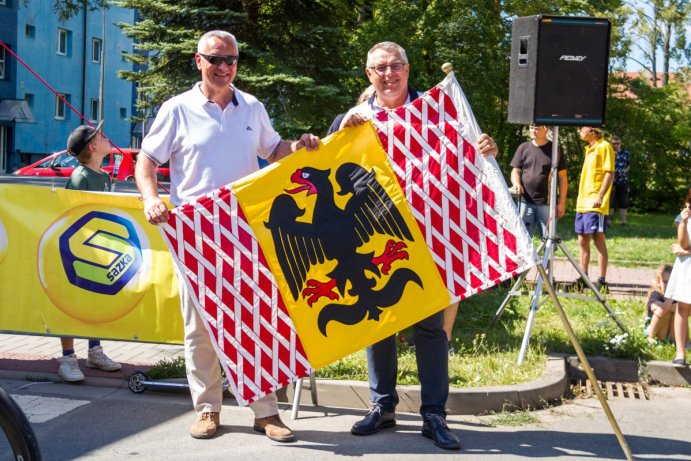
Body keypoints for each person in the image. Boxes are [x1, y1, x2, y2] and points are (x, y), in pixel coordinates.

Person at [135, 30, 320, 441]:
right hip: (194, 236)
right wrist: (152, 198)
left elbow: (274, 151)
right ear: (198, 61)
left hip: (244, 233)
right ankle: (207, 409)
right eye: (215, 59)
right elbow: (146, 161)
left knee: (257, 321)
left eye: (231, 60)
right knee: (199, 328)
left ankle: (265, 412)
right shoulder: (177, 109)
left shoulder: (251, 106)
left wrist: (301, 146)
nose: (223, 67)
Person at [339, 41, 499, 451]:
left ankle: (433, 414)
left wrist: (486, 151)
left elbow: (467, 157)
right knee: (380, 325)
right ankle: (382, 405)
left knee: (430, 329)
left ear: (408, 70)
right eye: (380, 68)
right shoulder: (352, 120)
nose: (388, 74)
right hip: (374, 237)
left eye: (395, 66)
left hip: (428, 237)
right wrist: (338, 135)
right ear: (368, 74)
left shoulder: (437, 112)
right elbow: (329, 175)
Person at [58, 122, 123, 382]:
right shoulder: (80, 178)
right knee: (71, 304)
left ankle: (94, 351)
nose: (108, 138)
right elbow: (71, 215)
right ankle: (67, 358)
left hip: (98, 248)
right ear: (93, 147)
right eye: (102, 135)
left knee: (94, 302)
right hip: (77, 249)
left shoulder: (104, 176)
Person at [509, 124, 568, 238]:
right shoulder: (523, 147)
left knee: (549, 240)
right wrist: (516, 183)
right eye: (531, 127)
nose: (533, 130)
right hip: (525, 201)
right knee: (523, 239)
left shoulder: (555, 149)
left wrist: (561, 203)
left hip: (546, 203)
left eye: (536, 128)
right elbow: (515, 171)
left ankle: (548, 257)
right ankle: (527, 257)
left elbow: (563, 177)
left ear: (546, 129)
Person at [574, 126, 614, 291]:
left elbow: (609, 173)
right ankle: (583, 278)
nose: (578, 131)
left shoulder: (604, 146)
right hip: (582, 202)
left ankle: (602, 281)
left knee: (598, 239)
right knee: (582, 239)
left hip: (596, 203)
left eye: (581, 129)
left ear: (592, 130)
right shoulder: (588, 149)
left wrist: (600, 196)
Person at [666, 189, 691, 367]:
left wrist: (687, 251)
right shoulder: (685, 216)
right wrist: (683, 222)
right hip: (687, 267)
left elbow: (684, 248)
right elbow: (683, 243)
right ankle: (680, 353)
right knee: (682, 308)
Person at [645, 264, 676, 342]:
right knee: (664, 311)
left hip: (670, 331)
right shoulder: (655, 294)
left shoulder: (678, 296)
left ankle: (681, 341)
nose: (668, 285)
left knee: (679, 313)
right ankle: (651, 338)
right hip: (653, 329)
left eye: (671, 282)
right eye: (665, 282)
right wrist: (670, 298)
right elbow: (660, 311)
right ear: (659, 282)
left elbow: (687, 312)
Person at [609, 136, 630, 225]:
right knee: (610, 201)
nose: (616, 145)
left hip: (623, 180)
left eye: (618, 143)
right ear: (611, 144)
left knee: (623, 201)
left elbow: (628, 165)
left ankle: (623, 222)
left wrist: (624, 171)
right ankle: (608, 221)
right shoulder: (608, 152)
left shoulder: (625, 153)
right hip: (610, 180)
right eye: (614, 143)